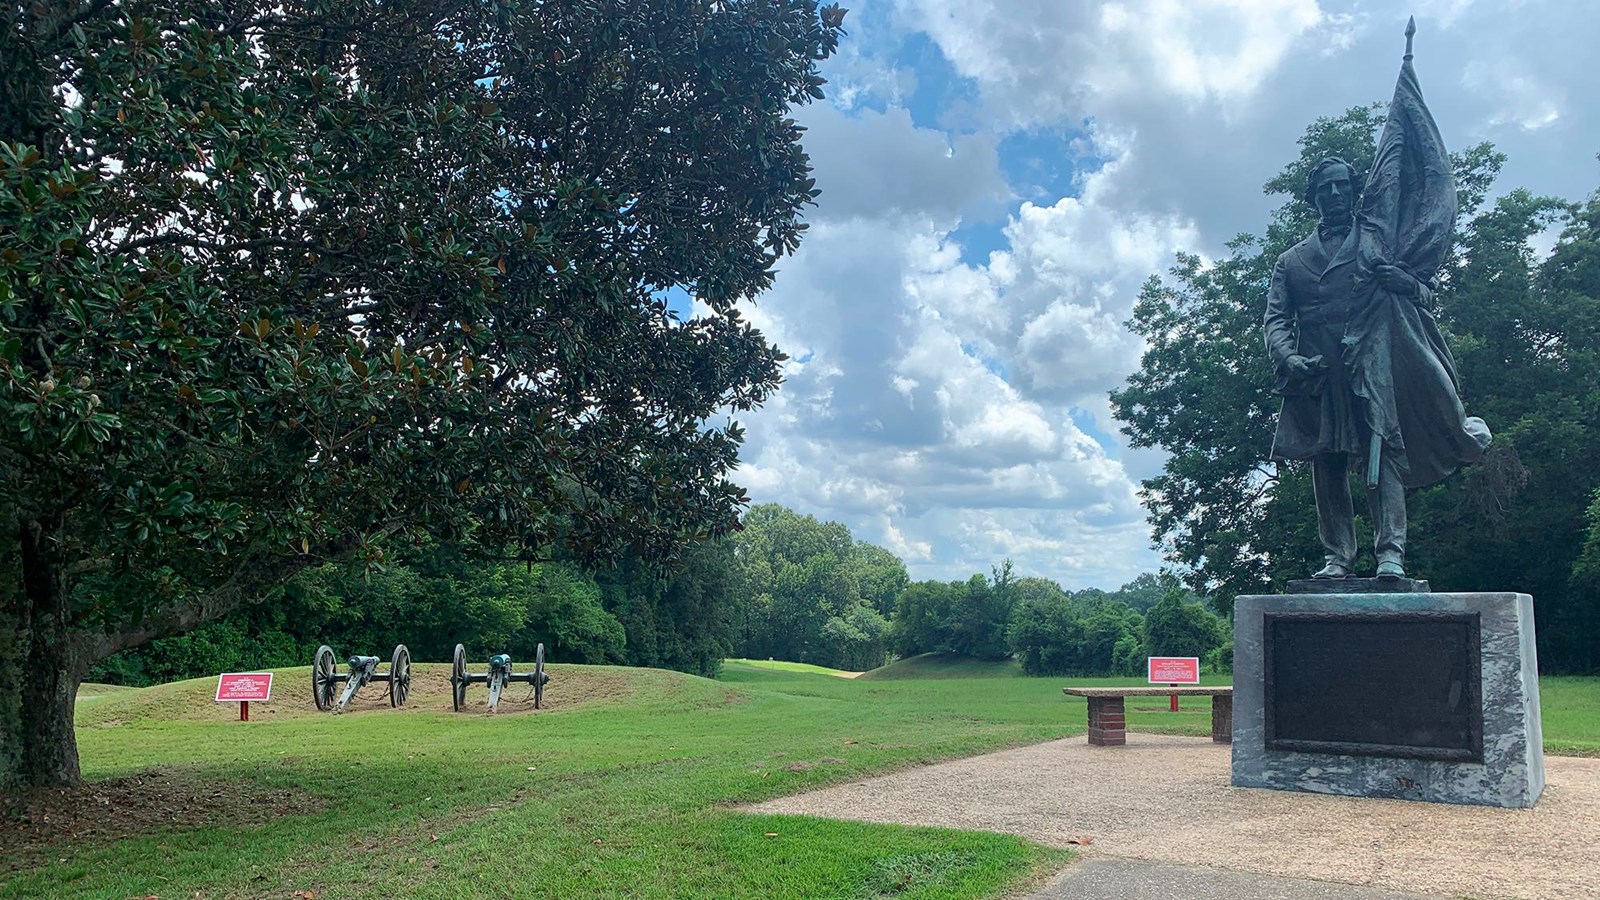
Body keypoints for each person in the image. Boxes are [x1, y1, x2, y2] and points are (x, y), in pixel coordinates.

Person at [1263, 157, 1435, 579]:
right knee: (1327, 463)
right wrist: (1289, 358)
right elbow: (1276, 319)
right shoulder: (1291, 260)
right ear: (1312, 198)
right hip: (1319, 373)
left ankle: (1390, 552)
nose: (1335, 195)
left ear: (1354, 190)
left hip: (1372, 367)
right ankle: (1337, 557)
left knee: (1383, 454)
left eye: (1342, 186)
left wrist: (1406, 283)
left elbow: (1425, 293)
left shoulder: (1380, 242)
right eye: (1326, 189)